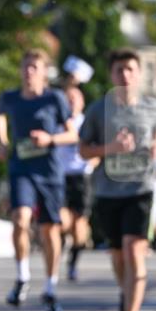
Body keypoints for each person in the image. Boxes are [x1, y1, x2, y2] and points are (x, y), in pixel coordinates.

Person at [79, 49, 156, 311]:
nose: (125, 75)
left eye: (130, 69)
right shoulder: (98, 110)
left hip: (140, 189)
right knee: (117, 255)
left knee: (133, 250)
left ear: (138, 74)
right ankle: (126, 292)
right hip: (107, 191)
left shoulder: (153, 107)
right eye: (119, 70)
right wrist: (110, 149)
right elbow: (83, 150)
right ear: (111, 75)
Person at [0, 49, 77, 311]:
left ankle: (50, 288)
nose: (29, 72)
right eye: (25, 67)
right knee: (20, 220)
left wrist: (50, 140)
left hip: (49, 172)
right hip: (21, 168)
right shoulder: (11, 98)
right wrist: (2, 142)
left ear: (43, 73)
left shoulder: (55, 98)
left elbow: (73, 134)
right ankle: (22, 278)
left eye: (34, 68)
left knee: (49, 230)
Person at [57, 82, 93, 281]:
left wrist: (93, 163)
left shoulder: (87, 123)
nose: (70, 102)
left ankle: (73, 262)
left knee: (79, 226)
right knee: (62, 221)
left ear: (81, 102)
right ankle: (62, 242)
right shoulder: (56, 121)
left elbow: (97, 148)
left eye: (74, 99)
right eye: (67, 99)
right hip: (60, 176)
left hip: (81, 176)